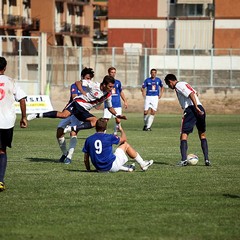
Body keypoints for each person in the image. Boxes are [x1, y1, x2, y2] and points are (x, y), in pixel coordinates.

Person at [27, 75, 127, 131]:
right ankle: (37, 115)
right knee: (63, 115)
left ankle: (71, 129)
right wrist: (83, 91)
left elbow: (110, 108)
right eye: (110, 86)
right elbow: (77, 82)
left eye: (112, 86)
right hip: (77, 103)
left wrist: (118, 115)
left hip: (84, 110)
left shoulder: (108, 95)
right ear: (104, 84)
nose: (112, 89)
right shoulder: (93, 85)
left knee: (94, 122)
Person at [164, 73, 211, 166]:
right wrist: (198, 106)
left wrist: (195, 107)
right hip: (201, 108)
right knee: (202, 134)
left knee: (184, 135)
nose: (169, 87)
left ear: (170, 82)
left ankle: (183, 160)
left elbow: (191, 94)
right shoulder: (184, 83)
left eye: (168, 85)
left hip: (191, 109)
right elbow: (195, 93)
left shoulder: (178, 85)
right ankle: (207, 159)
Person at [82, 118, 153, 172]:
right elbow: (124, 139)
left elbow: (86, 158)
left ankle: (128, 168)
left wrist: (88, 170)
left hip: (99, 168)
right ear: (105, 128)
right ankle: (142, 163)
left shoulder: (89, 139)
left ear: (95, 127)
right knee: (125, 145)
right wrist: (121, 130)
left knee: (111, 153)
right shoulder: (109, 137)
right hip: (111, 166)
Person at [0, 57, 28, 191]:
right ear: (4, 68)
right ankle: (0, 181)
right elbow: (22, 99)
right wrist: (24, 117)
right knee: (2, 150)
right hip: (6, 122)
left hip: (5, 122)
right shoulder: (11, 81)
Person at [57, 67, 94, 164]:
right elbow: (74, 97)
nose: (88, 80)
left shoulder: (91, 89)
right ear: (82, 77)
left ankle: (69, 157)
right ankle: (65, 153)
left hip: (79, 114)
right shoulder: (75, 85)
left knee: (73, 132)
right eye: (86, 78)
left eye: (89, 78)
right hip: (70, 111)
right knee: (59, 131)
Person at [103, 67, 128, 135]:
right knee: (106, 120)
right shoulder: (105, 82)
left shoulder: (118, 82)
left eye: (114, 72)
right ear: (109, 73)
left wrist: (125, 101)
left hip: (117, 103)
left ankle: (115, 133)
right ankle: (103, 133)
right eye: (112, 72)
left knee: (118, 119)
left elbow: (120, 92)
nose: (113, 74)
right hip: (108, 104)